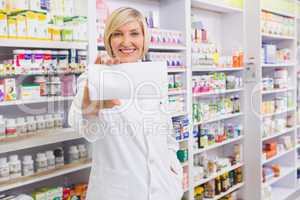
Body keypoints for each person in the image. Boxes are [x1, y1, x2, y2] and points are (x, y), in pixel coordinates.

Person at [68, 7, 183, 200]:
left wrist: (173, 169)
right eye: (118, 34)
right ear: (109, 40)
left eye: (134, 34)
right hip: (119, 193)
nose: (126, 42)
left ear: (144, 39)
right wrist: (91, 107)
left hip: (164, 190)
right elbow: (86, 129)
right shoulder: (96, 77)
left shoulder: (153, 77)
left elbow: (167, 136)